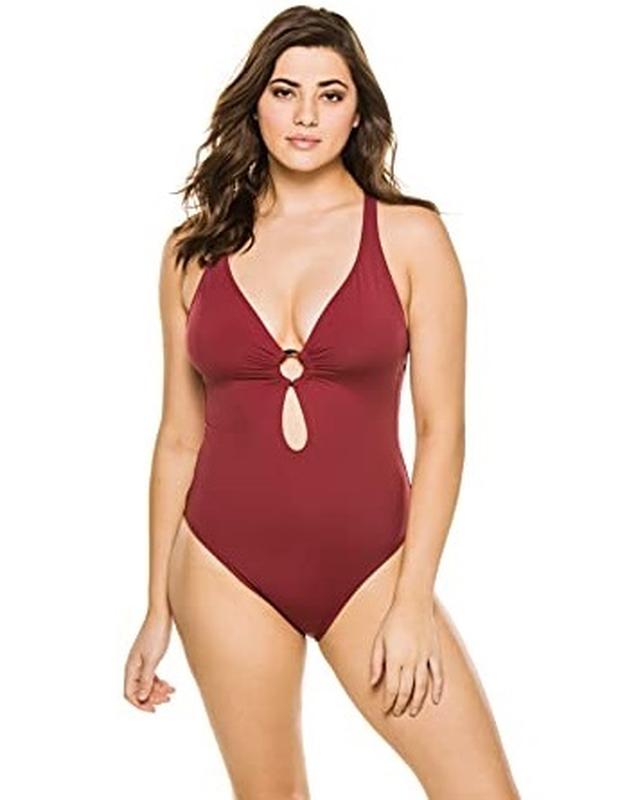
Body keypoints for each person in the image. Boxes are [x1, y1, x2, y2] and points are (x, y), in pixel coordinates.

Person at [124, 6, 520, 798]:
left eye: (330, 94)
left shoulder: (411, 237)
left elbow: (442, 430)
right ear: (255, 105)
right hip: (222, 568)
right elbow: (178, 437)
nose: (306, 115)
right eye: (285, 91)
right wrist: (155, 608)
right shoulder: (192, 253)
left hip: (374, 569)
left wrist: (413, 601)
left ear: (358, 111)